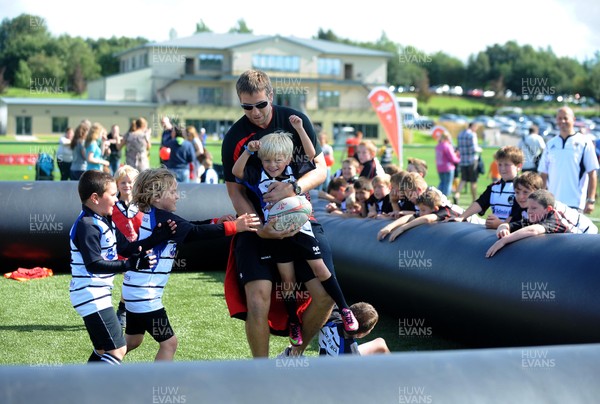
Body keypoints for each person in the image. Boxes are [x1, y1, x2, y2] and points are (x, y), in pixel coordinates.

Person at [221, 69, 336, 358]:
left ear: (270, 96)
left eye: (260, 104)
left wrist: (293, 188)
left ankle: (293, 355)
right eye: (247, 107)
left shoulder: (295, 120)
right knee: (257, 301)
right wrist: (259, 227)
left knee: (325, 296)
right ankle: (261, 373)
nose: (255, 113)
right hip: (257, 225)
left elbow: (321, 169)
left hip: (299, 218)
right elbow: (235, 190)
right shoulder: (235, 136)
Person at [232, 125, 358, 347]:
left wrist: (300, 129)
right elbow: (236, 172)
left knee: (321, 269)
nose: (272, 165)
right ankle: (293, 322)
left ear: (288, 158)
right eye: (267, 160)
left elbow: (313, 157)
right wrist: (248, 152)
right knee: (288, 281)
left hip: (301, 229)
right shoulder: (256, 173)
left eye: (278, 160)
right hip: (278, 234)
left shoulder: (295, 171)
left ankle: (345, 309)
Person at [124, 168, 260, 361]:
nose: (177, 196)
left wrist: (215, 221)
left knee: (133, 340)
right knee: (169, 343)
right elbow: (195, 232)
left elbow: (188, 226)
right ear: (155, 197)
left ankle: (98, 365)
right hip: (145, 296)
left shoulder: (157, 215)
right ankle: (156, 388)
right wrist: (234, 226)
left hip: (134, 291)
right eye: (172, 192)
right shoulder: (165, 219)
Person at [69, 170, 173, 365]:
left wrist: (157, 237)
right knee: (118, 349)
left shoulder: (104, 220)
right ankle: (95, 390)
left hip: (95, 294)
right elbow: (94, 264)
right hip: (90, 295)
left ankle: (81, 386)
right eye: (112, 195)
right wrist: (130, 264)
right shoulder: (87, 225)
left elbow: (127, 247)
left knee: (102, 350)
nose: (116, 200)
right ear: (95, 198)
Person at [538, 106, 599, 213]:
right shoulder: (550, 144)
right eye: (559, 118)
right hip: (552, 204)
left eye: (565, 118)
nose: (562, 121)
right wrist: (542, 200)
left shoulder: (584, 142)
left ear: (573, 120)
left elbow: (592, 173)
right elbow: (543, 174)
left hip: (575, 203)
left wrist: (591, 200)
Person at [499, 171, 597, 236]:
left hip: (586, 233)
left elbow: (534, 230)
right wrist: (503, 227)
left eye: (526, 192)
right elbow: (513, 224)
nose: (521, 197)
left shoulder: (551, 208)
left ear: (538, 192)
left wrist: (506, 239)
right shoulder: (525, 205)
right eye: (517, 192)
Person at [486, 190, 576, 258]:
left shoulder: (554, 219)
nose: (529, 211)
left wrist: (504, 240)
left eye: (534, 208)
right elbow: (509, 225)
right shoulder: (534, 218)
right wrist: (503, 228)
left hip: (571, 252)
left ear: (548, 209)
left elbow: (533, 230)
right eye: (528, 208)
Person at [453, 145, 524, 229]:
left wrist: (501, 224)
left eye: (507, 165)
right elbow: (480, 203)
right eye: (500, 164)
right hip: (496, 230)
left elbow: (518, 215)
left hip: (511, 230)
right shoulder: (494, 187)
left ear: (518, 166)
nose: (502, 168)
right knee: (455, 211)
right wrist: (462, 217)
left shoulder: (522, 189)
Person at [111, 165, 144, 328]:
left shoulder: (142, 205)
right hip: (115, 250)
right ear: (117, 184)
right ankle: (120, 310)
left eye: (130, 182)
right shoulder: (112, 205)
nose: (127, 186)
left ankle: (124, 309)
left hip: (136, 251)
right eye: (123, 182)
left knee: (132, 280)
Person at [382, 187, 462, 241]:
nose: (420, 213)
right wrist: (389, 227)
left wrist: (402, 228)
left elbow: (426, 218)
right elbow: (409, 217)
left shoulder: (444, 210)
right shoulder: (425, 211)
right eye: (420, 210)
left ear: (435, 209)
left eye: (423, 210)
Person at [319, 302, 389, 356]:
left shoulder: (331, 320)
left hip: (326, 361)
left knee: (380, 343)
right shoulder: (351, 352)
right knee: (380, 343)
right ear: (360, 335)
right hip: (334, 371)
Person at [454, 122, 482, 203]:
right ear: (473, 126)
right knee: (473, 181)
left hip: (462, 161)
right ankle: (474, 199)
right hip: (472, 160)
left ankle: (457, 194)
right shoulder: (472, 135)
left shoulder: (460, 134)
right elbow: (474, 148)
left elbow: (458, 147)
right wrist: (480, 149)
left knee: (463, 179)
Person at [435, 132, 460, 197]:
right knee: (448, 184)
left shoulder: (438, 146)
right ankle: (445, 199)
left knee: (442, 183)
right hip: (448, 167)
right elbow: (452, 158)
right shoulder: (447, 146)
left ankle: (436, 196)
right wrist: (459, 159)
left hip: (440, 167)